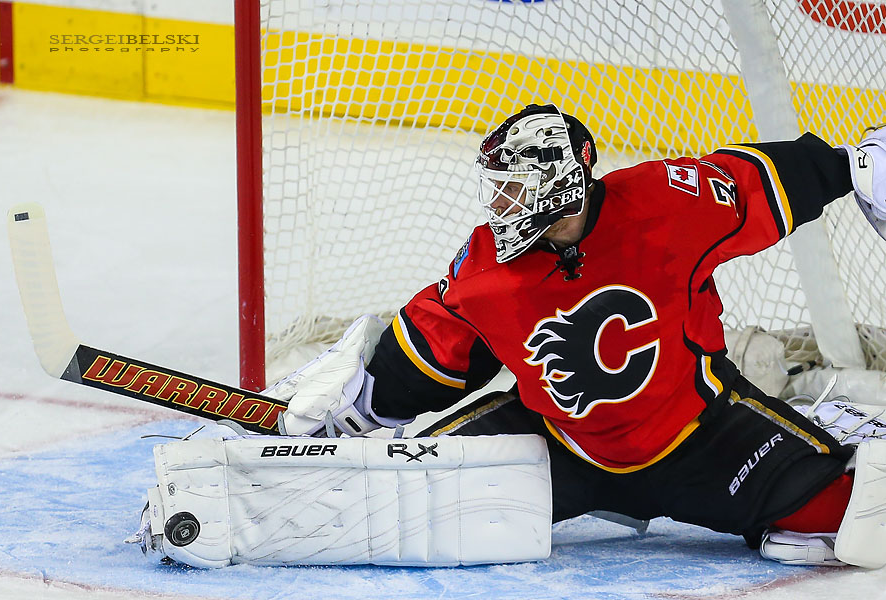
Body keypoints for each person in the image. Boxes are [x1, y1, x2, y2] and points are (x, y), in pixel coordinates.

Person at [273, 104, 886, 568]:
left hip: (705, 434)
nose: (501, 204)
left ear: (562, 180)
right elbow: (436, 344)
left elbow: (763, 181)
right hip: (558, 446)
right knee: (397, 492)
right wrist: (365, 399)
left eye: (514, 186)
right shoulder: (489, 267)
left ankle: (823, 446)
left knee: (857, 521)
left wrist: (851, 167)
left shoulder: (667, 202)